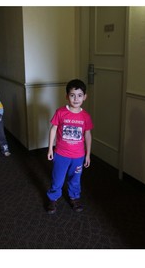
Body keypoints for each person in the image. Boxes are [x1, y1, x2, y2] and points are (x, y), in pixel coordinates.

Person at [46, 79, 93, 214]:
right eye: (72, 95)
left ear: (85, 97)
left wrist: (88, 154)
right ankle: (53, 198)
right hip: (61, 154)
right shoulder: (60, 112)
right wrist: (50, 148)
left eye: (79, 95)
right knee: (57, 178)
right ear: (67, 96)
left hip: (78, 156)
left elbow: (88, 135)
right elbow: (53, 129)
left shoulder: (85, 116)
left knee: (75, 179)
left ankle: (74, 197)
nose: (76, 98)